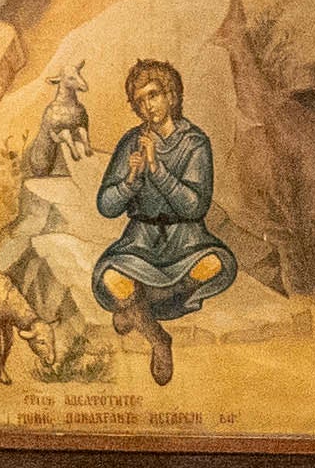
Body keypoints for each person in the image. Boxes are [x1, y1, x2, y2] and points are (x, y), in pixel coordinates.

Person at [88, 57, 233, 387]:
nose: (147, 106)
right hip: (141, 238)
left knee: (213, 265)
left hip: (186, 238)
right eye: (139, 100)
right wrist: (130, 181)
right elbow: (106, 206)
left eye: (153, 95)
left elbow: (195, 206)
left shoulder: (195, 142)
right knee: (111, 276)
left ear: (172, 95)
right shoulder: (131, 142)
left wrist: (157, 169)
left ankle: (132, 308)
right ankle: (158, 340)